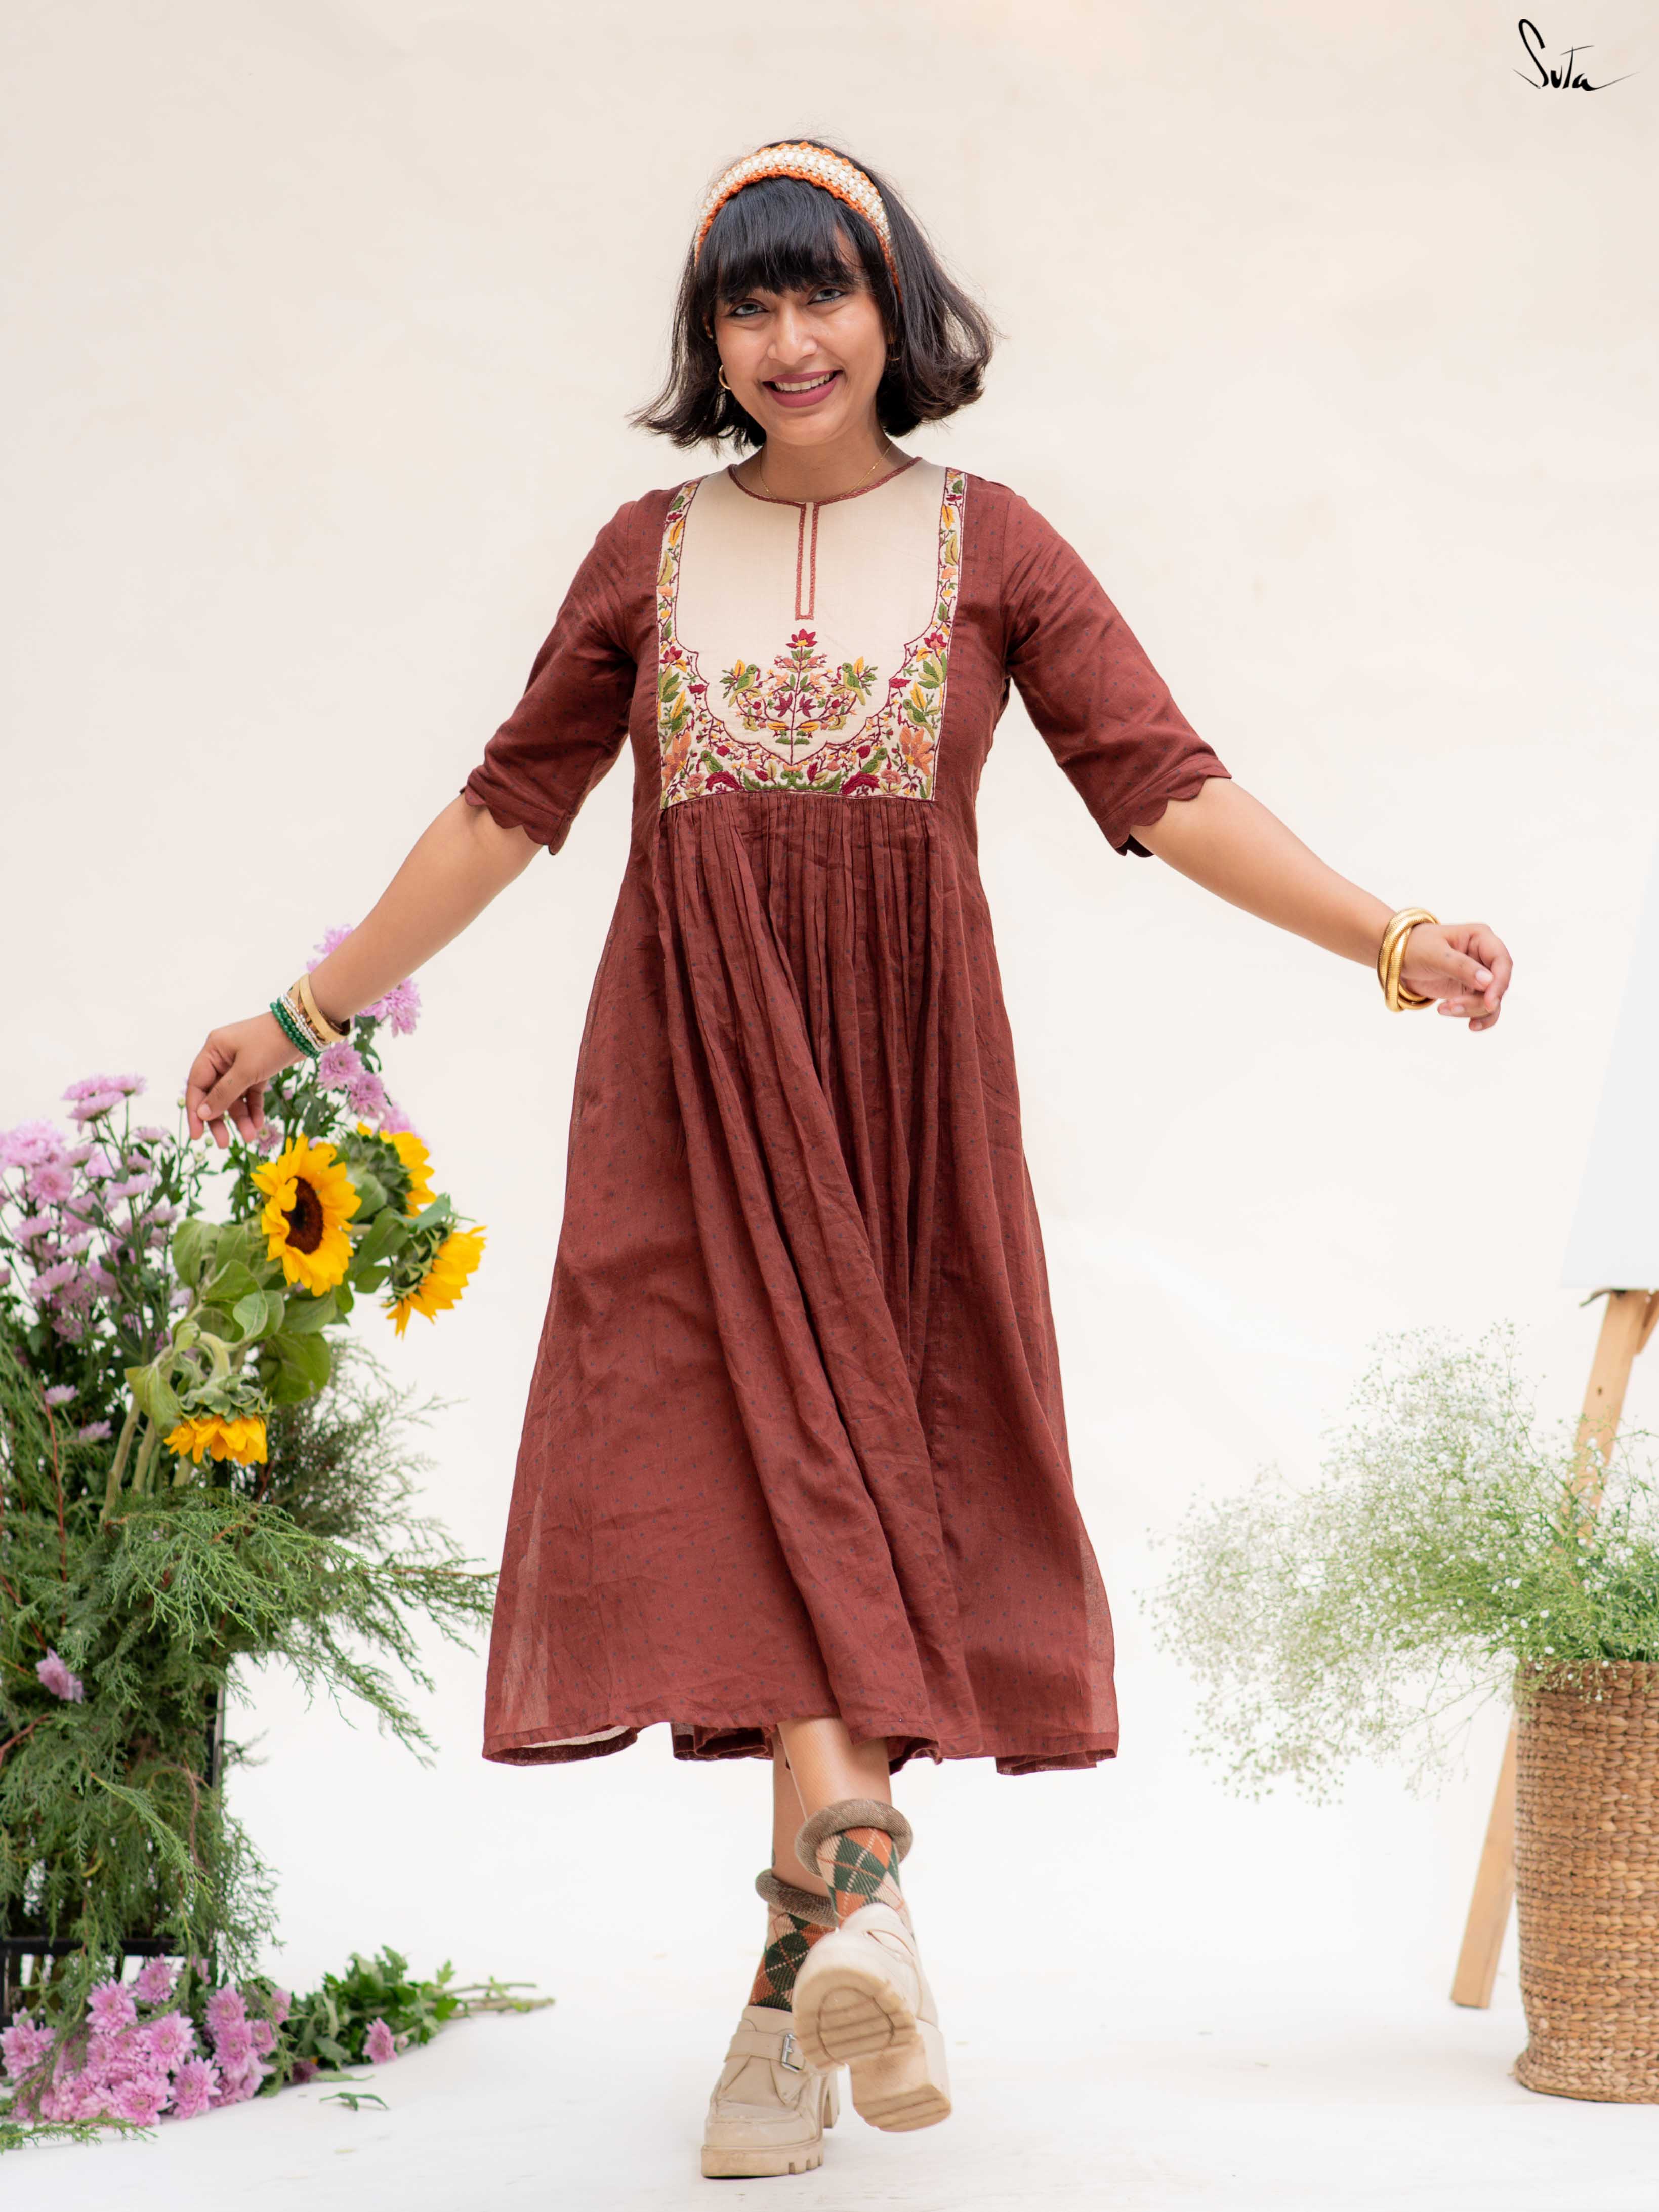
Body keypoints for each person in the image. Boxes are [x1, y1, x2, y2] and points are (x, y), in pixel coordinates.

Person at [184, 138, 1513, 2180]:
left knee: (866, 1491)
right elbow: (504, 806)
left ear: (894, 314)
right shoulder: (642, 555)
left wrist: (1388, 936)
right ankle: (863, 1897)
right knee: (731, 1479)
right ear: (707, 338)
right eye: (748, 304)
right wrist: (306, 1013)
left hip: (902, 1098)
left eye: (822, 293)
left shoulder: (998, 546)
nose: (789, 338)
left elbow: (1164, 784)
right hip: (682, 1087)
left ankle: (791, 1994)